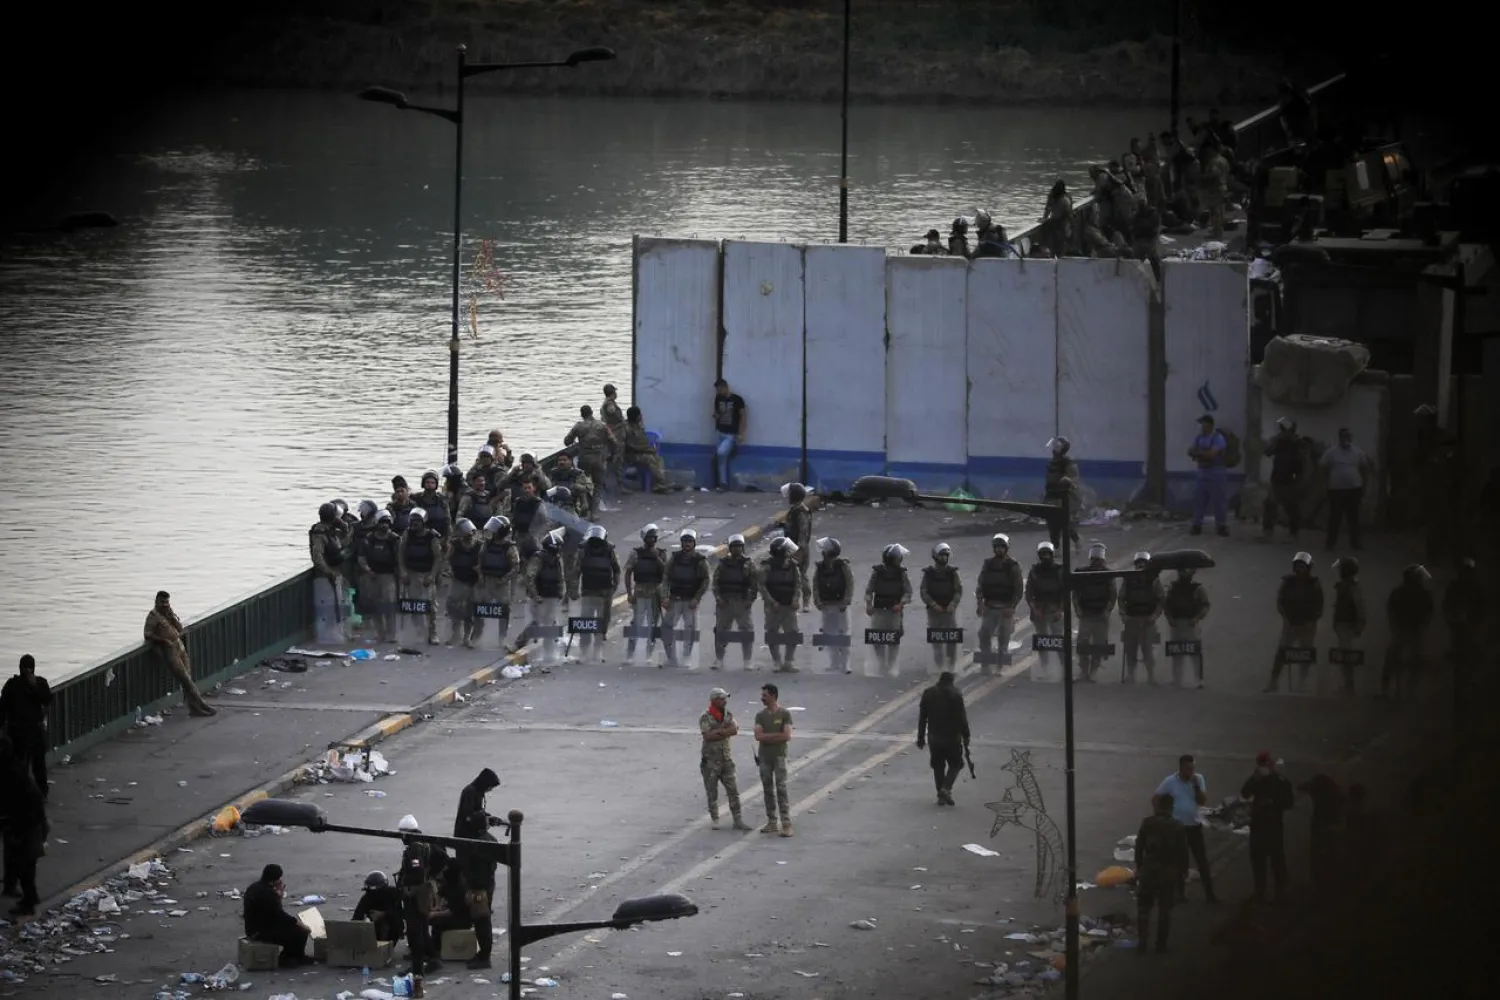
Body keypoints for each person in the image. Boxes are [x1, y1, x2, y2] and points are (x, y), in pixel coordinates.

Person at [1155, 755, 1217, 902]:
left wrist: (1195, 786)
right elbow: (1156, 797)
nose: (1191, 771)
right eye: (1188, 768)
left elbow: (1202, 801)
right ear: (1181, 768)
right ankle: (1180, 894)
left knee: (1202, 861)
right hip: (1178, 827)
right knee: (1181, 862)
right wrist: (1161, 817)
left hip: (1194, 825)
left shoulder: (1198, 779)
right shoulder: (1170, 781)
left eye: (1193, 768)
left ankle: (1210, 894)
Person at [143, 591, 216, 716]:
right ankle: (201, 703)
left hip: (179, 646)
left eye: (166, 602)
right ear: (156, 602)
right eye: (162, 602)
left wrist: (172, 618)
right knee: (186, 680)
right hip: (169, 650)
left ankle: (193, 708)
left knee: (188, 676)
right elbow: (147, 634)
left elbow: (180, 629)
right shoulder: (153, 616)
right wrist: (163, 640)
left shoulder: (169, 614)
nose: (165, 605)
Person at [1134, 793, 1188, 955]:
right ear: (1171, 807)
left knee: (1144, 908)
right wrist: (1182, 871)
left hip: (1149, 870)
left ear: (1157, 806)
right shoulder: (1178, 826)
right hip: (1168, 871)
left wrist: (1139, 867)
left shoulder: (1147, 823)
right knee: (1165, 909)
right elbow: (1183, 852)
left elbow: (1139, 848)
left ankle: (1142, 942)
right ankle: (1161, 944)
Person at [0, 733, 47, 916]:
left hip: (26, 821)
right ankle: (26, 895)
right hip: (28, 820)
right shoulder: (14, 769)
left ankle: (29, 899)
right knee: (23, 860)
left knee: (24, 861)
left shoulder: (10, 774)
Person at [1265, 551, 1324, 694]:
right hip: (1290, 624)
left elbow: (1319, 606)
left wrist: (1311, 621)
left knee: (1306, 653)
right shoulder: (1287, 582)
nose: (1299, 570)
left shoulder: (1314, 584)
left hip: (1307, 625)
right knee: (1282, 652)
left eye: (1302, 567)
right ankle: (1273, 682)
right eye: (1297, 566)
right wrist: (1286, 619)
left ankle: (1303, 682)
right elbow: (1280, 602)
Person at [1240, 751, 1294, 902]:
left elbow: (1289, 802)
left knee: (1277, 860)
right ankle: (1260, 891)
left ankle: (1280, 892)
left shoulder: (1281, 781)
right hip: (1257, 825)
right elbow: (1244, 793)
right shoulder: (1257, 780)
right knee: (1258, 860)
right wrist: (1254, 778)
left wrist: (1273, 803)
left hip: (1274, 826)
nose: (1264, 767)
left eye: (1266, 763)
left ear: (1272, 764)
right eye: (1261, 764)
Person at [396, 814, 443, 974]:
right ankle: (433, 958)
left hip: (416, 895)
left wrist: (406, 884)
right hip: (423, 893)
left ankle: (417, 968)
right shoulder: (424, 843)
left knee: (415, 931)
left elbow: (416, 872)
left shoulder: (415, 848)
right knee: (422, 928)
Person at [1, 655, 52, 800]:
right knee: (19, 766)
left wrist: (34, 686)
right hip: (18, 731)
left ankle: (40, 793)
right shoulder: (12, 685)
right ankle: (20, 795)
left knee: (38, 766)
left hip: (31, 731)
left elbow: (47, 698)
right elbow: (3, 707)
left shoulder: (39, 683)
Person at [915, 671, 970, 806]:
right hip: (952, 736)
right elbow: (962, 718)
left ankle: (941, 794)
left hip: (934, 736)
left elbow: (922, 718)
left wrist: (920, 737)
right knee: (956, 764)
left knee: (938, 766)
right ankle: (946, 788)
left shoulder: (929, 693)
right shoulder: (956, 694)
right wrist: (966, 735)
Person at [700, 687, 751, 830]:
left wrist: (718, 732)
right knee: (712, 791)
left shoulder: (728, 714)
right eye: (722, 698)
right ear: (714, 700)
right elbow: (707, 736)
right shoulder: (706, 716)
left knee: (733, 790)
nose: (725, 701)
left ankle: (738, 819)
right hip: (711, 760)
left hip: (726, 759)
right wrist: (725, 732)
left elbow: (734, 729)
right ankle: (715, 819)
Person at [242, 864, 310, 966]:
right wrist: (299, 923)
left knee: (291, 928)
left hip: (253, 929)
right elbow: (280, 915)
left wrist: (277, 894)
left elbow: (271, 912)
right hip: (260, 932)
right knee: (299, 932)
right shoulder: (268, 893)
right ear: (275, 879)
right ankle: (291, 957)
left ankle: (289, 956)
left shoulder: (254, 887)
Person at [975, 534, 1024, 676]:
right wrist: (979, 603)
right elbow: (980, 585)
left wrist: (1012, 607)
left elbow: (1018, 589)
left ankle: (999, 667)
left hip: (1005, 608)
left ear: (1006, 548)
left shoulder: (1013, 566)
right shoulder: (988, 564)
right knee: (984, 635)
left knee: (1003, 638)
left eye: (1002, 547)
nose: (999, 550)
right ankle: (986, 664)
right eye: (997, 547)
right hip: (990, 606)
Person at [1383, 564, 1433, 699]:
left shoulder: (1400, 592)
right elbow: (1428, 612)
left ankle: (1389, 689)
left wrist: (1394, 626)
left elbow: (1391, 611)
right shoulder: (1422, 593)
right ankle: (1407, 691)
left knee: (1394, 659)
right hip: (1410, 630)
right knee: (1410, 660)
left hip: (1406, 630)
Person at [1319, 427, 1374, 551]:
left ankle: (1355, 543)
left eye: (1348, 437)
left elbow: (1364, 469)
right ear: (1340, 438)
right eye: (1344, 437)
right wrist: (1324, 485)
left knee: (1353, 518)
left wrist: (1365, 486)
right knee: (1334, 518)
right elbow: (1322, 469)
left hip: (1354, 489)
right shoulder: (1331, 452)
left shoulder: (1357, 452)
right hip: (1336, 490)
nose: (1346, 439)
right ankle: (1330, 543)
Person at [753, 683, 794, 837]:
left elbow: (787, 736)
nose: (762, 698)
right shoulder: (760, 715)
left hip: (779, 756)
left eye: (765, 695)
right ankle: (772, 821)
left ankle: (786, 823)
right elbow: (758, 736)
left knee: (781, 789)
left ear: (773, 696)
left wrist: (767, 737)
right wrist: (776, 737)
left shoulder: (784, 714)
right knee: (767, 789)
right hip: (764, 757)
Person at [1072, 543, 1116, 683]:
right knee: (1083, 644)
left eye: (1098, 559)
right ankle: (1084, 671)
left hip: (1101, 615)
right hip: (1086, 614)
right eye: (1094, 559)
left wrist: (1107, 610)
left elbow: (1112, 596)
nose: (1096, 562)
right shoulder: (1083, 573)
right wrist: (1077, 608)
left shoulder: (1108, 575)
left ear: (1103, 560)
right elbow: (1076, 593)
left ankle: (1093, 672)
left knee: (1099, 644)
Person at [1119, 552, 1165, 684]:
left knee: (1148, 650)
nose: (1140, 565)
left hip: (1148, 620)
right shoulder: (1128, 580)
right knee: (1130, 649)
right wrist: (1123, 615)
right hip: (1131, 619)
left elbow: (1161, 600)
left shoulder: (1154, 580)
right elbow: (1121, 599)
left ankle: (1151, 676)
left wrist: (1154, 616)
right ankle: (1131, 675)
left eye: (1143, 563)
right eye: (1138, 563)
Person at [1298, 773, 1346, 899]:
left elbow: (1302, 787)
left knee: (1320, 860)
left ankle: (1321, 891)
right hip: (1330, 830)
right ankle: (1327, 891)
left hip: (1322, 829)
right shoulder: (1337, 794)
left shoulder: (1324, 794)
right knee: (1327, 860)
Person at [812, 536, 855, 674]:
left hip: (840, 605)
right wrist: (818, 603)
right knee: (830, 634)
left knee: (843, 634)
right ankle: (834, 662)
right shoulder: (820, 568)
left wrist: (846, 601)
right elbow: (816, 586)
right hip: (826, 605)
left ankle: (846, 664)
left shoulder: (843, 566)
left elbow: (849, 584)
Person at [456, 830, 499, 969]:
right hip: (486, 885)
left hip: (480, 888)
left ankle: (485, 956)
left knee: (482, 922)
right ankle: (483, 954)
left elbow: (477, 869)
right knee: (483, 922)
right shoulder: (489, 839)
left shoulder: (479, 844)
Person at [1162, 566, 1209, 688]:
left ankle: (1199, 680)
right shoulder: (1173, 587)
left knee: (1195, 652)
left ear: (1192, 572)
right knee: (1177, 651)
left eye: (1187, 570)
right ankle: (1177, 679)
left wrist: (1197, 618)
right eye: (1182, 570)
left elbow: (1205, 605)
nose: (1184, 572)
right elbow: (1166, 605)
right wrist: (1170, 618)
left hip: (1191, 623)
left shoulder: (1198, 588)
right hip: (1176, 623)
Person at [1261, 417, 1308, 540]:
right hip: (1277, 477)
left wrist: (1299, 479)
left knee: (1291, 506)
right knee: (1270, 504)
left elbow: (1302, 460)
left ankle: (1293, 532)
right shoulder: (1279, 441)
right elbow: (1267, 452)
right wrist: (1277, 439)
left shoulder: (1297, 442)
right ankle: (1268, 531)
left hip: (1291, 479)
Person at [920, 543, 963, 672]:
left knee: (951, 639)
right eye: (942, 555)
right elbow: (923, 591)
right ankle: (938, 666)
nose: (944, 558)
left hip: (949, 611)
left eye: (946, 555)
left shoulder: (952, 572)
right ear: (935, 556)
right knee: (936, 640)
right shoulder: (929, 573)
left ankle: (950, 666)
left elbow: (958, 590)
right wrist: (933, 604)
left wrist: (953, 604)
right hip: (934, 611)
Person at [1188, 415, 1230, 536]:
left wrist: (1198, 454)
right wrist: (1201, 454)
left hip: (1217, 472)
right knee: (1199, 500)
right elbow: (1190, 451)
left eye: (1203, 424)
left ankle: (1221, 526)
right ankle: (1196, 525)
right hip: (1203, 472)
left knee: (1219, 500)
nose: (1201, 426)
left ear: (1210, 425)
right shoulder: (1199, 438)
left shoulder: (1218, 438)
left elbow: (1212, 455)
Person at [1331, 557, 1367, 696]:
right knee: (1345, 654)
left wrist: (1359, 625)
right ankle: (1347, 684)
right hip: (1343, 624)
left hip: (1347, 625)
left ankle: (1349, 685)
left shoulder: (1351, 587)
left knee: (1346, 655)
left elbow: (1359, 608)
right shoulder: (1347, 586)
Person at [1043, 437, 1081, 548]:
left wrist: (1067, 481)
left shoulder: (1067, 462)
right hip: (1050, 497)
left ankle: (1077, 540)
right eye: (1053, 447)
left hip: (1062, 497)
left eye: (1056, 447)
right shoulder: (1051, 463)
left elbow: (1074, 479)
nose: (1054, 450)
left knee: (1064, 522)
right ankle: (1055, 547)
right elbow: (1049, 480)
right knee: (1052, 524)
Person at [712, 378, 747, 491]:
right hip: (720, 432)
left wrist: (741, 433)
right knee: (720, 459)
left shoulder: (737, 400)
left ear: (726, 387)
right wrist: (716, 416)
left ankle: (733, 447)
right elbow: (717, 412)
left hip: (731, 433)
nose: (719, 392)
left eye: (720, 389)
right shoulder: (718, 398)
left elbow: (743, 416)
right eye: (717, 390)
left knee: (721, 453)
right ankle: (723, 483)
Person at [353, 870, 405, 943]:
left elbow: (400, 913)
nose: (371, 894)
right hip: (374, 926)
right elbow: (357, 915)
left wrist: (383, 914)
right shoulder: (367, 897)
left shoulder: (393, 894)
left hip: (392, 926)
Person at [454, 768, 502, 839]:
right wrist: (486, 819)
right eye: (490, 787)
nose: (491, 789)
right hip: (466, 833)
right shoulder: (470, 792)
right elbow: (468, 816)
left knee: (493, 842)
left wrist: (489, 818)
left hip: (475, 831)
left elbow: (478, 811)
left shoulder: (479, 792)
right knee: (492, 844)